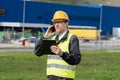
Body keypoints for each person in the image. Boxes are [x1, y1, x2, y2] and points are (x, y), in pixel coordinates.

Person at [34, 10, 81, 80]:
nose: (56, 25)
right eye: (55, 22)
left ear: (66, 23)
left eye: (60, 22)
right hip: (51, 78)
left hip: (65, 78)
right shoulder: (52, 39)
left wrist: (62, 54)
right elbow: (37, 52)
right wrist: (45, 37)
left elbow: (76, 59)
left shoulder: (72, 38)